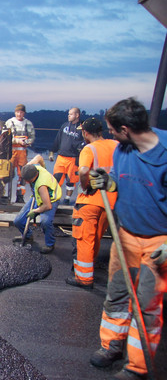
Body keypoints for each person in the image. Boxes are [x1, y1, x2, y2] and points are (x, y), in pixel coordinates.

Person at [88, 97, 167, 380]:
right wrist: (106, 182)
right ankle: (111, 345)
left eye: (111, 130)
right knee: (117, 294)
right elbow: (121, 182)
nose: (109, 136)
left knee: (147, 306)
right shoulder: (123, 150)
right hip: (126, 236)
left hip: (160, 242)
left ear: (125, 128)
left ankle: (137, 366)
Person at [65, 118, 118, 290]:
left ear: (85, 133)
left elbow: (84, 170)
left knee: (84, 239)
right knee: (96, 238)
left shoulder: (89, 149)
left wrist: (86, 184)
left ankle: (84, 278)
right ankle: (88, 269)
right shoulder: (116, 145)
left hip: (90, 201)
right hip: (109, 202)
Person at [12, 154, 62, 254]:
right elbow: (39, 157)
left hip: (50, 200)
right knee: (18, 220)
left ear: (32, 178)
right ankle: (28, 236)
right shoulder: (30, 167)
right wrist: (44, 167)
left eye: (27, 181)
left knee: (46, 222)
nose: (26, 182)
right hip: (38, 197)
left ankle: (50, 244)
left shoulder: (41, 185)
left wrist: (36, 211)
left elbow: (47, 206)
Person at [48, 107, 84, 205]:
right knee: (56, 179)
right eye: (68, 114)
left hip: (73, 159)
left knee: (70, 181)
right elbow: (57, 140)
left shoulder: (82, 128)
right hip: (61, 157)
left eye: (71, 114)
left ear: (77, 115)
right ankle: (54, 198)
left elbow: (85, 143)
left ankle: (67, 199)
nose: (68, 116)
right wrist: (52, 151)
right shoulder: (64, 126)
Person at [5, 104, 35, 203]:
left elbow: (32, 137)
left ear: (24, 113)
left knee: (23, 175)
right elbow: (4, 137)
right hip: (11, 153)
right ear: (15, 112)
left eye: (21, 112)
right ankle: (2, 195)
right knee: (6, 174)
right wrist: (17, 141)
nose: (19, 114)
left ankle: (20, 196)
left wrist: (27, 142)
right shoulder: (9, 122)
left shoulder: (28, 124)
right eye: (17, 112)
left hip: (22, 154)